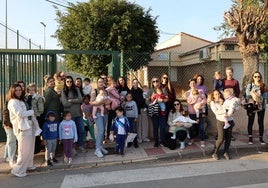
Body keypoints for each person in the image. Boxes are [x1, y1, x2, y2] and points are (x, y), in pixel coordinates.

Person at [8, 84, 37, 177]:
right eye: (16, 90)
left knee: (29, 149)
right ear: (12, 91)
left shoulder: (21, 100)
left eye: (20, 90)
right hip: (22, 128)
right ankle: (18, 169)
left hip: (29, 126)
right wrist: (31, 112)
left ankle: (28, 165)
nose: (18, 92)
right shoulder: (12, 102)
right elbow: (19, 114)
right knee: (24, 151)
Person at [61, 76, 85, 153]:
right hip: (69, 115)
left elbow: (81, 99)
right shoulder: (64, 91)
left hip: (78, 114)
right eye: (67, 81)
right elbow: (65, 104)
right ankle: (72, 148)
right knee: (71, 132)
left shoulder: (76, 89)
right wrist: (76, 101)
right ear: (65, 82)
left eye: (71, 81)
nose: (69, 83)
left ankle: (80, 145)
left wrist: (71, 100)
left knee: (81, 130)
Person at [209, 89, 235, 160]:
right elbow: (216, 112)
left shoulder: (226, 101)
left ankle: (226, 152)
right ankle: (215, 152)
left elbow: (232, 108)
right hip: (220, 121)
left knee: (228, 138)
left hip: (229, 121)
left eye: (219, 94)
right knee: (221, 138)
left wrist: (231, 109)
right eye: (216, 94)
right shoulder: (212, 103)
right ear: (213, 96)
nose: (218, 95)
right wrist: (223, 107)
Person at [245, 71, 268, 145]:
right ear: (253, 77)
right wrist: (257, 95)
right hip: (252, 106)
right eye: (255, 76)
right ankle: (250, 138)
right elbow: (248, 95)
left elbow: (265, 96)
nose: (257, 78)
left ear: (260, 78)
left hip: (261, 106)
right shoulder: (250, 85)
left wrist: (255, 95)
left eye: (258, 76)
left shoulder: (263, 86)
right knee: (250, 121)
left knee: (260, 122)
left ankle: (261, 138)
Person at [90, 77, 109, 158]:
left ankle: (100, 146)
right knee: (100, 130)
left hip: (105, 113)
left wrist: (108, 103)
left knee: (103, 130)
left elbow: (108, 101)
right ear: (97, 83)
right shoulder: (94, 91)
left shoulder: (106, 91)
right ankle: (97, 149)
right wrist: (101, 102)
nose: (101, 83)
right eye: (99, 81)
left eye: (102, 81)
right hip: (97, 113)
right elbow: (92, 102)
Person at [186, 79, 207, 147]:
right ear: (189, 84)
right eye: (191, 83)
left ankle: (202, 140)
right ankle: (192, 139)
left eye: (194, 83)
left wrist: (200, 104)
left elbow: (205, 100)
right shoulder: (187, 93)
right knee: (192, 127)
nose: (192, 84)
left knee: (201, 127)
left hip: (200, 111)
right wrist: (197, 96)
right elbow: (190, 101)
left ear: (196, 84)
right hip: (192, 112)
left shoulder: (200, 91)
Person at [149, 77, 169, 147]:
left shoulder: (163, 90)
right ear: (152, 83)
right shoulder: (150, 91)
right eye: (153, 81)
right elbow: (147, 101)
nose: (155, 83)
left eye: (156, 81)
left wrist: (162, 100)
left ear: (159, 82)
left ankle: (162, 141)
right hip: (154, 111)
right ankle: (156, 141)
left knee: (162, 127)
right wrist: (152, 100)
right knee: (155, 127)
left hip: (162, 112)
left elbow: (167, 99)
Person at [222, 67, 240, 141]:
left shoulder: (235, 81)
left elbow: (237, 92)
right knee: (222, 117)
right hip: (224, 102)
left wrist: (235, 101)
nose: (229, 74)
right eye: (227, 72)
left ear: (232, 72)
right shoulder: (223, 81)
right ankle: (221, 134)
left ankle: (229, 134)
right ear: (225, 73)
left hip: (231, 103)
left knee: (229, 118)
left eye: (230, 72)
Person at [26, 83, 44, 153]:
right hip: (29, 117)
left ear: (35, 90)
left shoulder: (38, 97)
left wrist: (37, 114)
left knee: (37, 132)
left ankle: (37, 148)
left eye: (33, 90)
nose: (31, 91)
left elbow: (41, 108)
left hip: (37, 116)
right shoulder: (27, 97)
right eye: (30, 90)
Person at [131, 79, 150, 143]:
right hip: (136, 110)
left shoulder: (141, 90)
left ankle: (145, 137)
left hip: (143, 109)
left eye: (137, 82)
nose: (135, 84)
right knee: (138, 125)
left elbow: (145, 99)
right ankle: (139, 138)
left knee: (145, 123)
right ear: (132, 83)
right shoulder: (131, 91)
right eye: (134, 83)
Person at [3, 96, 17, 168]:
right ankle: (11, 158)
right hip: (9, 124)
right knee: (12, 140)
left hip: (15, 123)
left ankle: (6, 156)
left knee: (9, 139)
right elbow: (5, 111)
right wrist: (6, 123)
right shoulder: (9, 99)